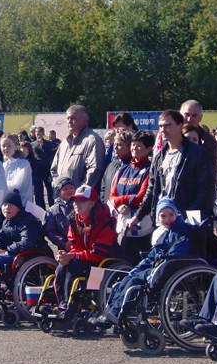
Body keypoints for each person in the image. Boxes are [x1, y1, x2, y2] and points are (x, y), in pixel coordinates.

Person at [94, 197, 192, 325]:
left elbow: (176, 254)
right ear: (158, 217)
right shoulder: (163, 233)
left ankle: (114, 315)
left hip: (169, 267)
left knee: (133, 282)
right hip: (158, 266)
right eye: (163, 216)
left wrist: (157, 263)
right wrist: (137, 268)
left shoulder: (181, 232)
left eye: (171, 215)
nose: (167, 219)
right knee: (126, 280)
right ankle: (108, 313)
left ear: (176, 214)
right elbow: (152, 257)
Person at [136, 109, 214, 235]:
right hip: (163, 221)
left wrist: (188, 216)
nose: (163, 130)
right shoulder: (159, 156)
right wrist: (138, 216)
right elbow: (152, 189)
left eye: (167, 125)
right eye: (160, 126)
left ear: (180, 126)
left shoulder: (197, 153)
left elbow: (205, 189)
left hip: (187, 222)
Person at [52, 184, 118, 311]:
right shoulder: (74, 221)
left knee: (74, 265)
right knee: (62, 267)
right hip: (85, 259)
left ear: (92, 203)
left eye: (81, 201)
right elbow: (75, 247)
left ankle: (70, 305)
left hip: (104, 263)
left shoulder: (106, 223)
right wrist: (65, 256)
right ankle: (62, 303)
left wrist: (73, 256)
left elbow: (99, 254)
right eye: (75, 201)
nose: (76, 204)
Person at [111, 131, 154, 263]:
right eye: (133, 144)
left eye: (139, 145)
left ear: (149, 149)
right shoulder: (123, 169)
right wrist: (120, 205)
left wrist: (122, 200)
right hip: (124, 226)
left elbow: (142, 196)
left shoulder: (150, 169)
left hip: (143, 227)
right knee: (125, 261)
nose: (135, 148)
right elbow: (112, 196)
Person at [50, 105, 106, 190]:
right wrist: (59, 187)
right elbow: (54, 169)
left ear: (85, 120)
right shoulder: (64, 142)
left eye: (73, 118)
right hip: (62, 196)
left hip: (81, 196)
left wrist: (81, 192)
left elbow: (94, 170)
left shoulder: (92, 140)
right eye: (68, 118)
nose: (69, 121)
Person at [1, 133, 32, 207]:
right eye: (3, 146)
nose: (6, 148)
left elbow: (16, 184)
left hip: (21, 205)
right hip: (7, 205)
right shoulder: (4, 164)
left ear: (16, 147)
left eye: (9, 145)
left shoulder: (23, 164)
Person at [44, 176, 75, 251]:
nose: (69, 191)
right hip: (64, 248)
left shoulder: (79, 204)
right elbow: (50, 231)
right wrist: (63, 243)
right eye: (65, 189)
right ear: (58, 192)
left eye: (71, 188)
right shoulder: (53, 210)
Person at [32, 126, 56, 207]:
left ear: (43, 134)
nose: (38, 136)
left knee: (50, 190)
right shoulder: (32, 144)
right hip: (37, 171)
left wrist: (43, 145)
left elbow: (50, 155)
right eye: (37, 134)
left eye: (40, 134)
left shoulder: (48, 144)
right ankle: (40, 209)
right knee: (38, 192)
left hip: (46, 170)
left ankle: (52, 207)